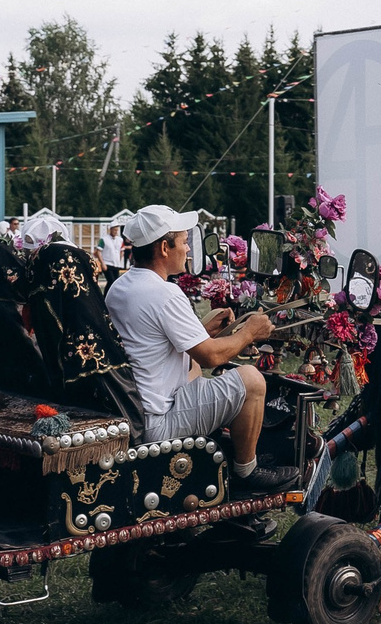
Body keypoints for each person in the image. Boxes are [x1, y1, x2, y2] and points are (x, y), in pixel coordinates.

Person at [105, 203, 295, 493]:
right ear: (164, 248)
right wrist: (250, 332)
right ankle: (247, 471)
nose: (188, 250)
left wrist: (203, 332)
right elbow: (211, 357)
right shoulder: (164, 293)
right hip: (159, 422)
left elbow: (152, 342)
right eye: (184, 242)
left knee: (198, 370)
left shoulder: (120, 287)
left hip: (140, 413)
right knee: (252, 380)